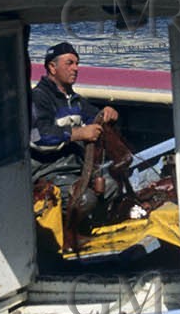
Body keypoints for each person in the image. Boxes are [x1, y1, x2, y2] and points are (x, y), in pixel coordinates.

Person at [30, 42, 122, 210]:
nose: (75, 68)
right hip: (47, 172)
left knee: (111, 186)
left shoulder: (76, 101)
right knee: (84, 199)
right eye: (69, 63)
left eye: (77, 63)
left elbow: (95, 119)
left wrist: (108, 114)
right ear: (52, 67)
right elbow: (39, 136)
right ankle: (68, 234)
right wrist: (77, 134)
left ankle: (92, 230)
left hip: (76, 169)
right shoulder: (38, 98)